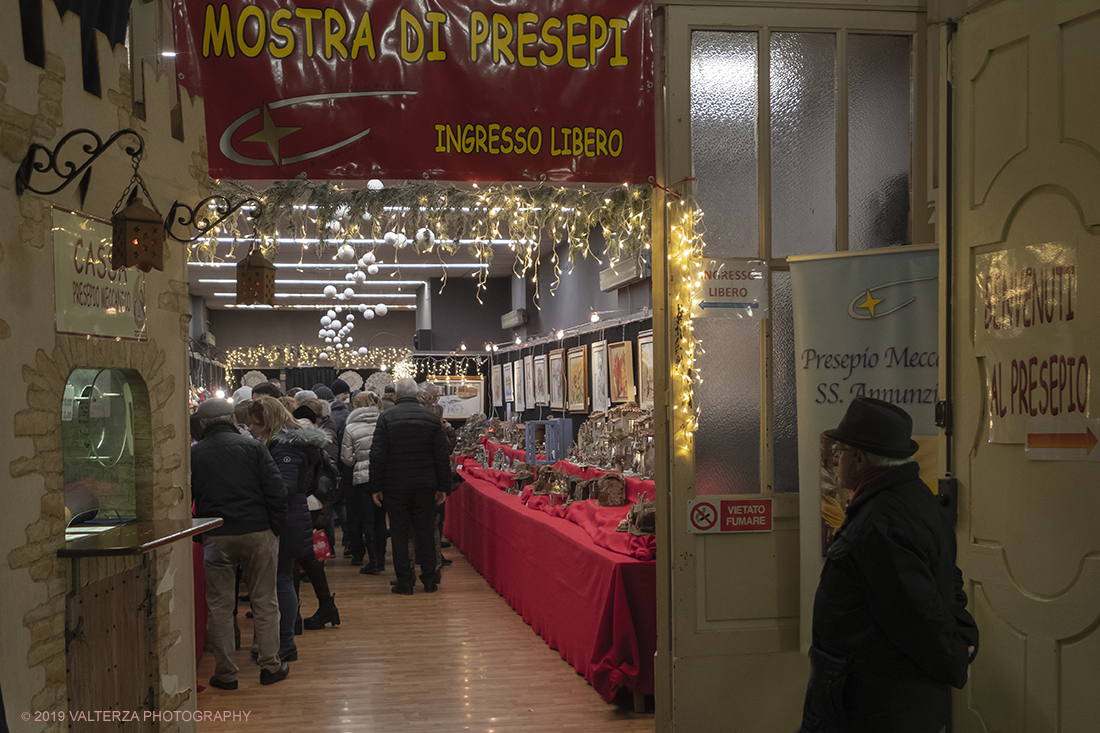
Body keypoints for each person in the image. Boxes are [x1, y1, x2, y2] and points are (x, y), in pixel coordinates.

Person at [800, 397, 979, 733]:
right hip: (894, 701)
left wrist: (956, 657)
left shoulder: (878, 523)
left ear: (859, 459)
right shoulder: (915, 497)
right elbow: (947, 580)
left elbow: (917, 611)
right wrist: (965, 637)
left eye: (840, 450)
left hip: (877, 707)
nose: (834, 459)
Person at [190, 398, 289, 688]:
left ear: (203, 423)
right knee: (265, 601)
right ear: (233, 418)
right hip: (258, 532)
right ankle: (270, 666)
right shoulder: (254, 447)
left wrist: (199, 533)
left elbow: (185, 496)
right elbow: (277, 491)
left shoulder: (197, 454)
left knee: (219, 605)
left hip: (216, 534)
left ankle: (226, 674)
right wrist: (275, 529)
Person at [247, 398, 328, 663]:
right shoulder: (289, 444)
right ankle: (284, 641)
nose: (251, 428)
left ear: (267, 422)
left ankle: (285, 642)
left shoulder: (285, 448)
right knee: (282, 580)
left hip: (286, 520)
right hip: (292, 518)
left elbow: (284, 488)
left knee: (282, 581)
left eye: (254, 423)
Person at [368, 378, 451, 595]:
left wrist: (375, 486)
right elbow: (441, 457)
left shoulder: (386, 417)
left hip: (395, 486)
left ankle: (405, 582)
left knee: (400, 533)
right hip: (425, 485)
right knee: (426, 531)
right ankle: (430, 579)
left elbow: (377, 455)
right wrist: (443, 486)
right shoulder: (432, 419)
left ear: (396, 394)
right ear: (415, 394)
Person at [341, 391, 382, 570]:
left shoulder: (350, 427)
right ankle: (380, 557)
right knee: (381, 519)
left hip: (361, 478)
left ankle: (370, 559)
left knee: (365, 519)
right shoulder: (383, 421)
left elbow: (347, 459)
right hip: (382, 477)